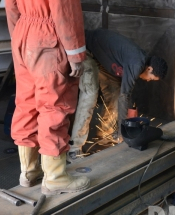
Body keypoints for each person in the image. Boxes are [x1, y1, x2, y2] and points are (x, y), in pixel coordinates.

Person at [5, 0, 90, 195]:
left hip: (24, 34)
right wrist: (76, 53)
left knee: (27, 103)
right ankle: (55, 177)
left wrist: (19, 40)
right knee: (55, 103)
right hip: (49, 35)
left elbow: (11, 0)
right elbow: (64, 4)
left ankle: (29, 172)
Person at [68, 28, 168, 159]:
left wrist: (128, 119)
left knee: (114, 94)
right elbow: (125, 96)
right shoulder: (137, 63)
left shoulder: (139, 64)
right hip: (87, 49)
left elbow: (125, 95)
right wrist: (124, 131)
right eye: (151, 78)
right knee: (90, 96)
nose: (148, 81)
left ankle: (105, 135)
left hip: (103, 59)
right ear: (149, 68)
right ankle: (74, 148)